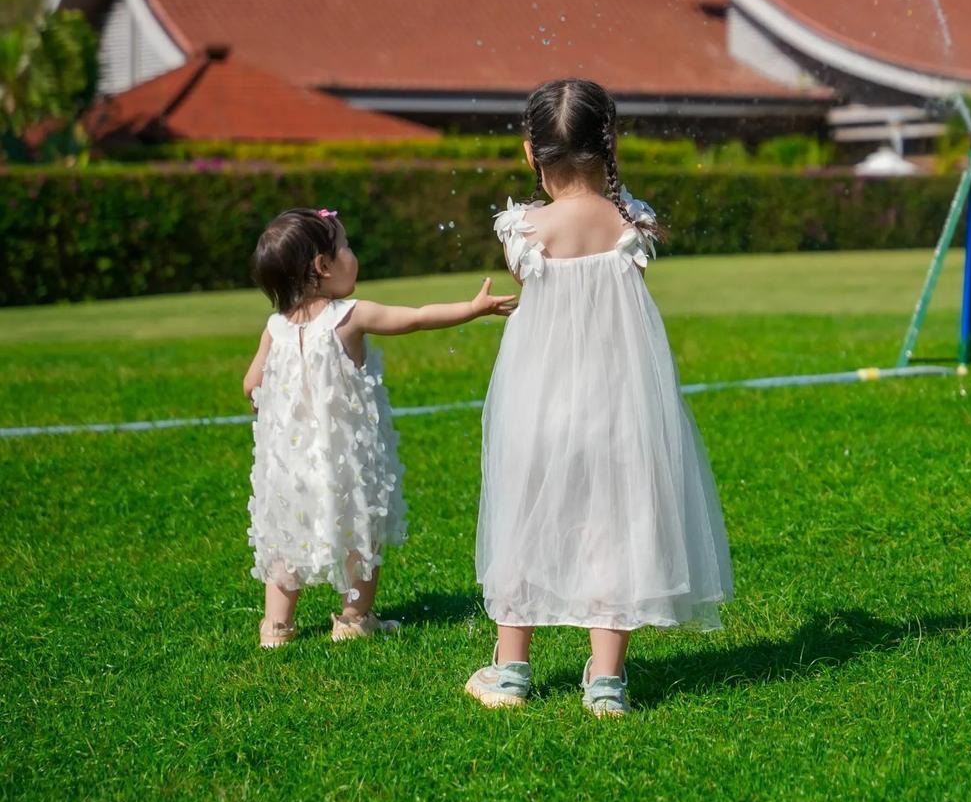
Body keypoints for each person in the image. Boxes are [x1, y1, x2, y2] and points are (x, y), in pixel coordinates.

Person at [468, 79, 734, 716]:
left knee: (526, 511)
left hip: (538, 400)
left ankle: (511, 670)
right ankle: (606, 681)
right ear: (609, 144)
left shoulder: (523, 229)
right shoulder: (632, 223)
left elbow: (527, 272)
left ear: (531, 153)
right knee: (616, 521)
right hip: (620, 400)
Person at [243, 205, 515, 648]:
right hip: (345, 464)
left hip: (290, 467)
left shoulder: (273, 328)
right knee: (359, 535)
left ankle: (276, 626)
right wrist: (472, 308)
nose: (353, 255)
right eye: (345, 246)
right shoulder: (349, 316)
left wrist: (271, 404)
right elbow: (417, 318)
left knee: (286, 537)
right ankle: (353, 618)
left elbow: (251, 383)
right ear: (322, 266)